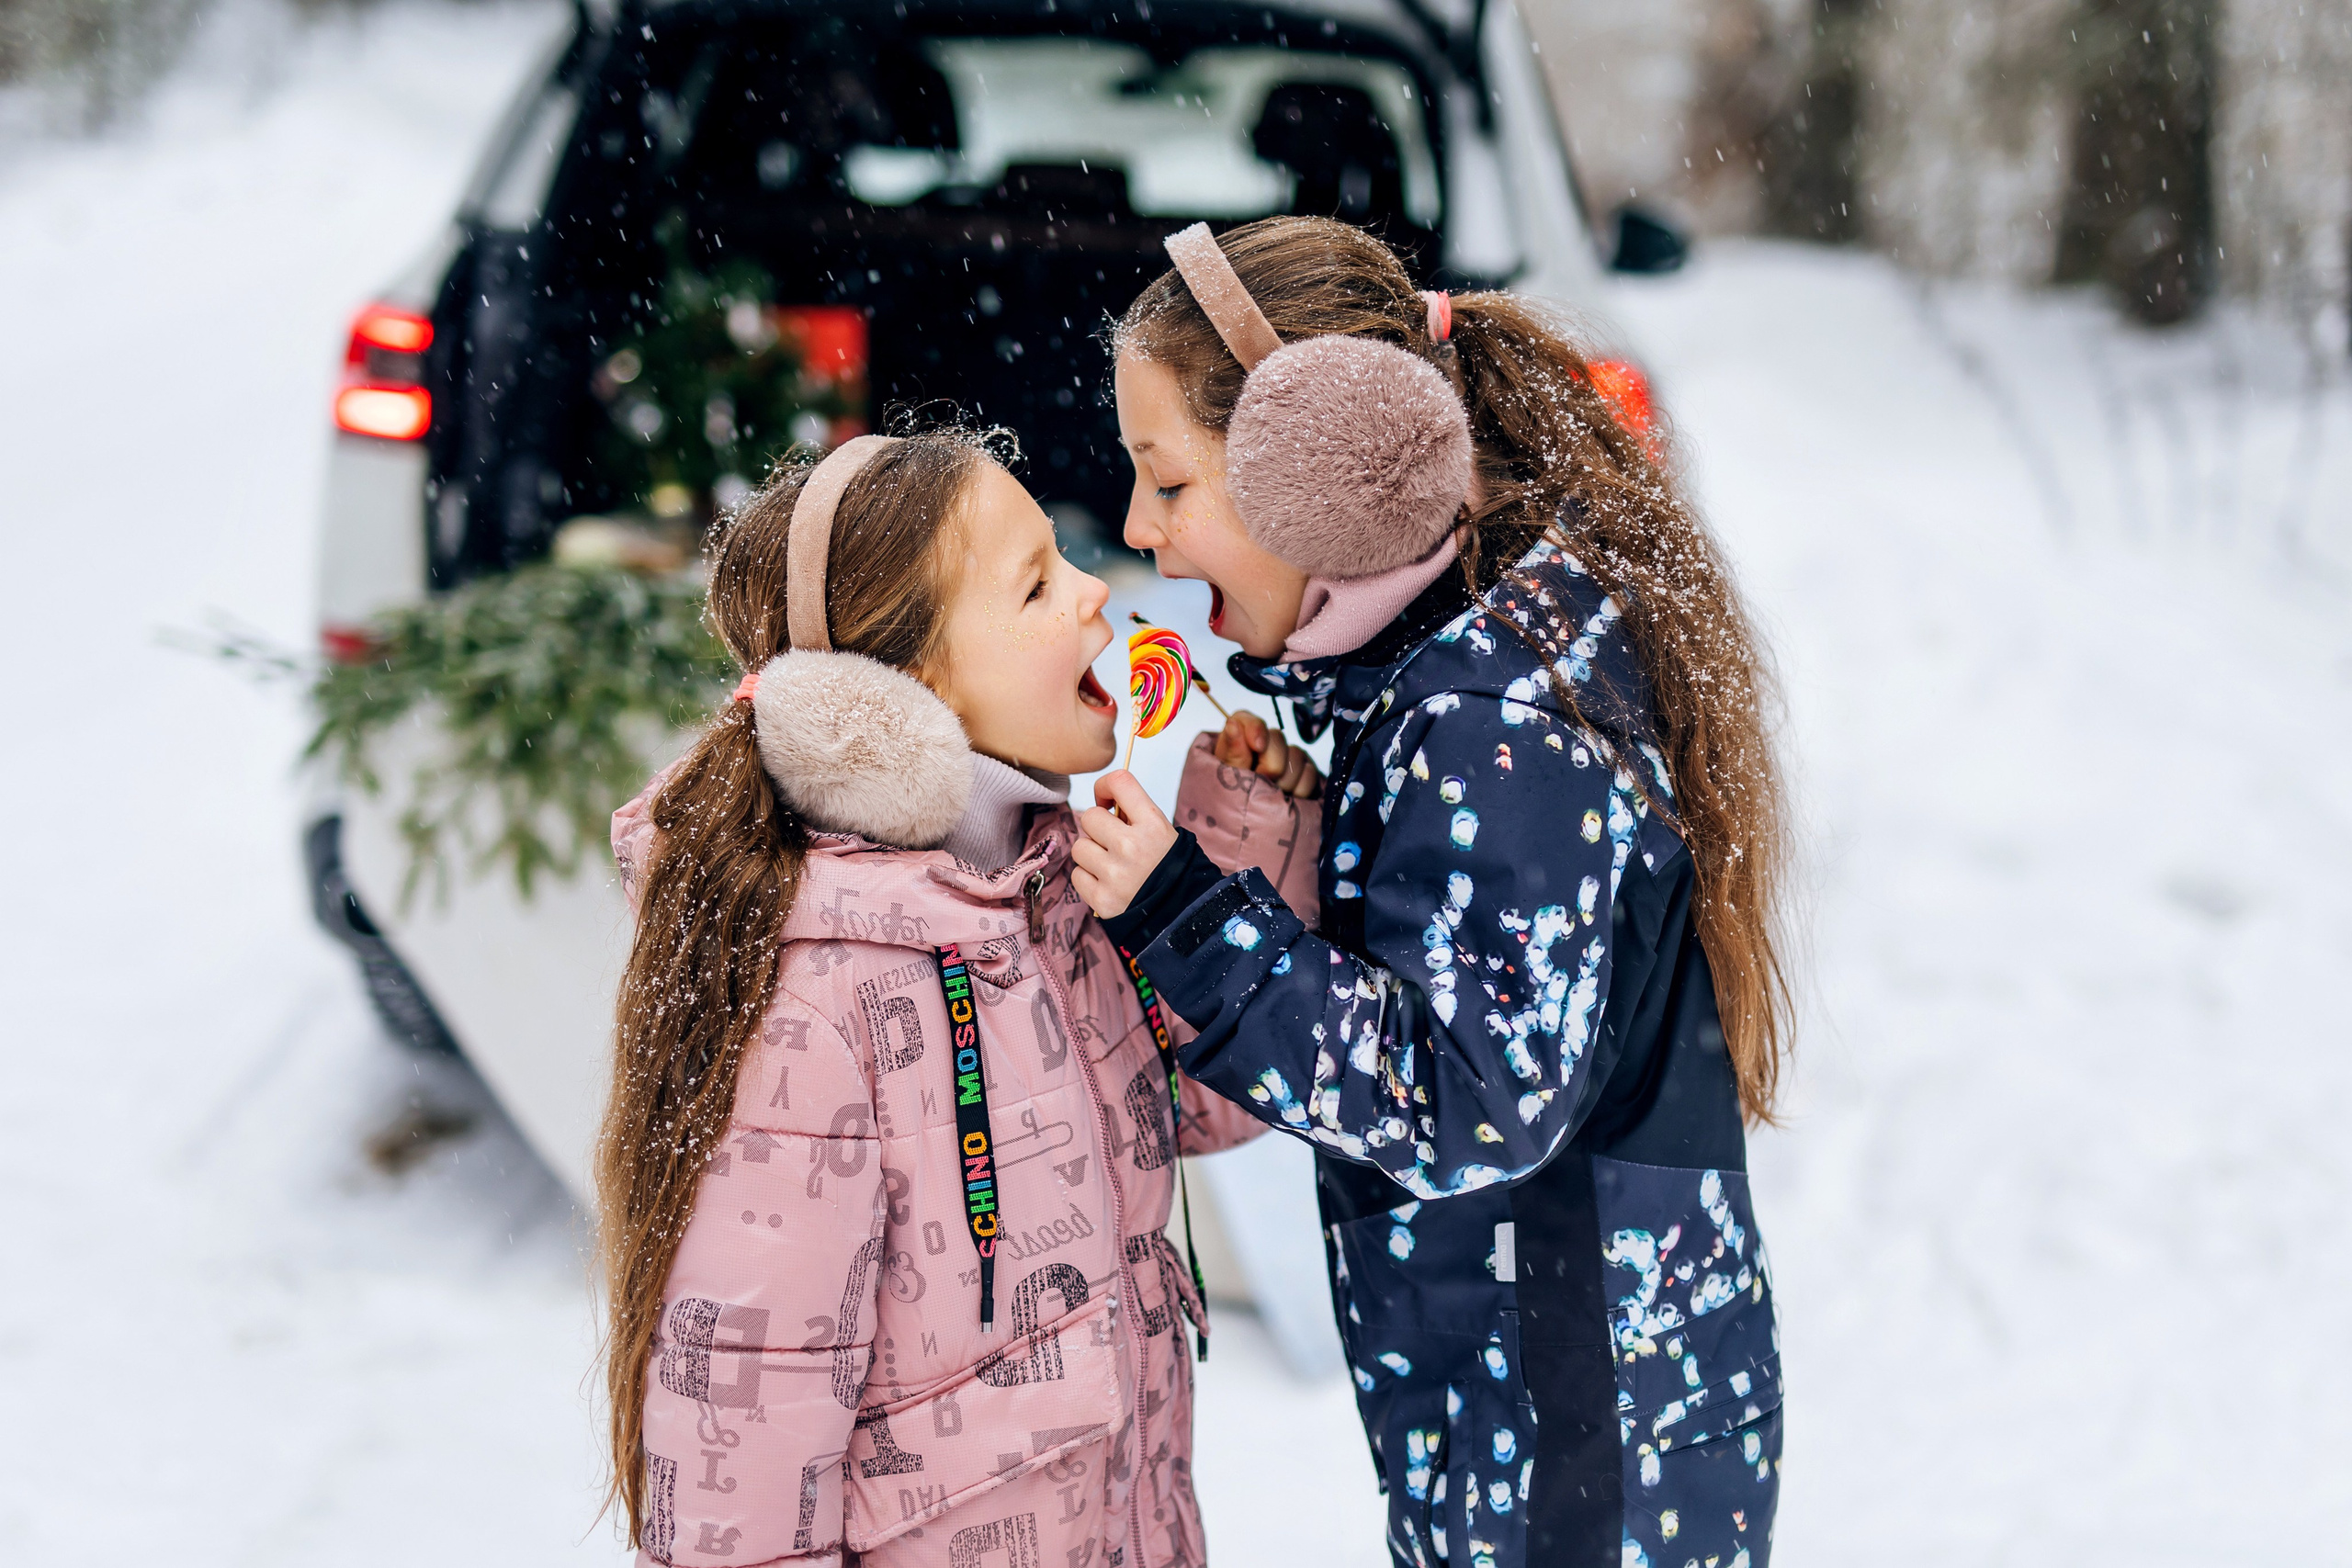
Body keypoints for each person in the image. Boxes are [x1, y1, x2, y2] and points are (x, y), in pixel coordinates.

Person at [1070, 219, 1794, 1568]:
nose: (1135, 528)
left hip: (1577, 1446)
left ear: (1319, 458)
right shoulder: (1471, 666)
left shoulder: (1488, 722)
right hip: (1551, 1410)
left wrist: (1189, 919)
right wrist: (1308, 849)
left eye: (1166, 481)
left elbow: (1469, 1099)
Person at [594, 430, 1318, 1568]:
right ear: (915, 687)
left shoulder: (1056, 892)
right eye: (1035, 585)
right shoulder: (817, 996)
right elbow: (745, 1417)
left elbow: (1197, 1101)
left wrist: (1240, 839)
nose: (1093, 590)